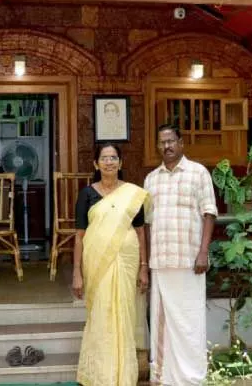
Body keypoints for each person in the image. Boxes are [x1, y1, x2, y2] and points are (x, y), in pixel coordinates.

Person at [144, 124, 218, 385]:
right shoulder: (151, 179)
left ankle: (192, 379)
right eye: (162, 142)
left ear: (181, 143)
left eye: (171, 141)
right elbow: (148, 224)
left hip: (190, 262)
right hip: (162, 262)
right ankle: (164, 377)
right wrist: (147, 262)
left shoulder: (198, 173)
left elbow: (209, 213)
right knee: (162, 324)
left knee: (190, 323)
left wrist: (203, 252)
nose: (167, 146)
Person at [72, 143, 149, 386]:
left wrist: (144, 266)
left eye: (113, 157)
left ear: (120, 163)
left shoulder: (131, 194)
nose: (109, 162)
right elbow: (80, 236)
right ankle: (100, 376)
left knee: (124, 314)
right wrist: (76, 272)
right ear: (96, 164)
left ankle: (123, 376)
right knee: (100, 314)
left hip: (127, 262)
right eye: (104, 158)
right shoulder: (87, 194)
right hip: (96, 263)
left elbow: (140, 231)